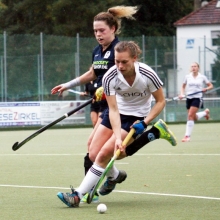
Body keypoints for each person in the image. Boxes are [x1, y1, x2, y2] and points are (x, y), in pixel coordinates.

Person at [56, 41, 177, 208]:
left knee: (106, 153)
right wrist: (118, 138)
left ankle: (77, 195)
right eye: (117, 61)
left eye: (124, 62)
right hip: (116, 113)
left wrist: (145, 122)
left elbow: (160, 102)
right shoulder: (110, 77)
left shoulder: (148, 74)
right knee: (93, 153)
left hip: (137, 117)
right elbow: (112, 110)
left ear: (134, 58)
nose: (119, 66)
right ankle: (116, 175)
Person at [51, 5, 140, 203]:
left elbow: (126, 75)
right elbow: (92, 73)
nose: (98, 35)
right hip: (102, 102)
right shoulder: (97, 51)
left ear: (113, 29)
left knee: (97, 150)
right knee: (92, 147)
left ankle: (91, 188)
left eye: (102, 30)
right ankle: (113, 176)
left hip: (116, 105)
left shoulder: (119, 50)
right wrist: (67, 84)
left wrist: (106, 90)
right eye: (95, 31)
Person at [179, 62, 213, 142]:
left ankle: (187, 136)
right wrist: (181, 94)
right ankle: (205, 113)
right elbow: (183, 86)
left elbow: (211, 85)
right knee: (193, 117)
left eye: (195, 66)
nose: (193, 68)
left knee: (190, 115)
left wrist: (206, 89)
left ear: (198, 68)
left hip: (197, 98)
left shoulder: (202, 77)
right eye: (192, 66)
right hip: (189, 98)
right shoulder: (187, 77)